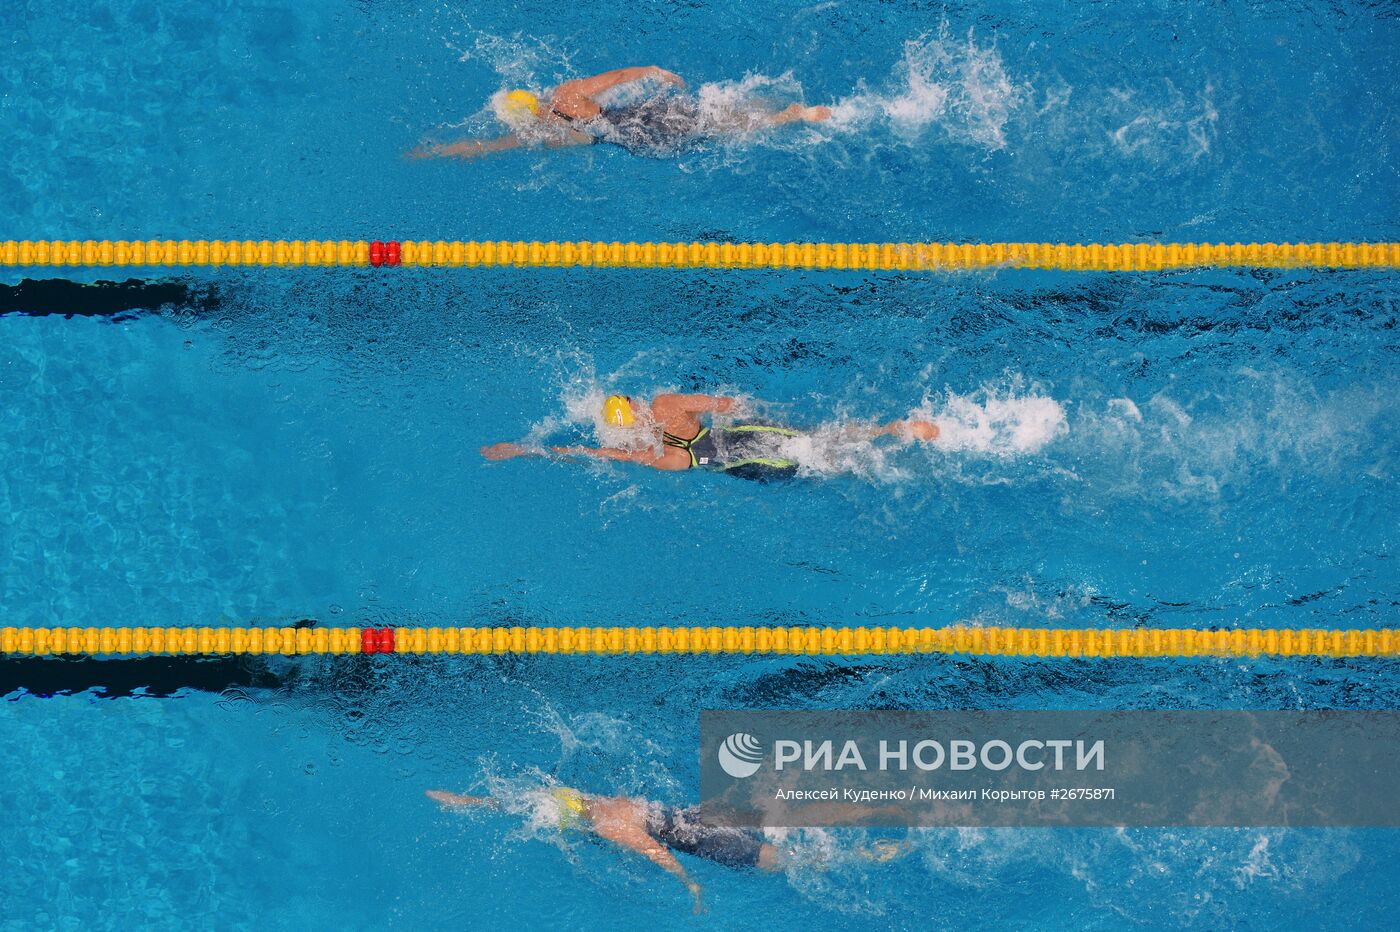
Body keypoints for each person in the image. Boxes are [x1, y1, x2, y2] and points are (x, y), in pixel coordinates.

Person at [426, 785, 910, 913]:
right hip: (689, 816)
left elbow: (658, 853)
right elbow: (524, 802)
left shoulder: (610, 825)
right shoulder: (593, 802)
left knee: (781, 863)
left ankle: (868, 856)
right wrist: (467, 802)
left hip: (701, 842)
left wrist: (690, 884)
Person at [481, 393, 940, 481]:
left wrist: (527, 449)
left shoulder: (662, 457)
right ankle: (891, 431)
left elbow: (596, 454)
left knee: (820, 464)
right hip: (747, 436)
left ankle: (883, 451)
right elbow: (728, 405)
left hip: (751, 470)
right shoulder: (665, 404)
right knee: (821, 438)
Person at [410, 65, 831, 160]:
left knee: (715, 125)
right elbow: (486, 147)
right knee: (715, 122)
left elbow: (619, 76)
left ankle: (791, 114)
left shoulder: (567, 99)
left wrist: (652, 70)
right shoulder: (545, 128)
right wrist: (438, 152)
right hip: (640, 130)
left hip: (646, 125)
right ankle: (781, 112)